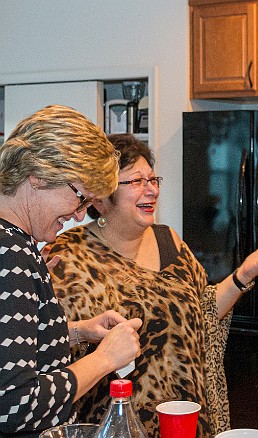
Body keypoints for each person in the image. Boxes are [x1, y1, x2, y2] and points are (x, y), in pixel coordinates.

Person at [47, 134, 258, 438]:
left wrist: (245, 274)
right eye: (136, 181)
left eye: (153, 179)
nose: (151, 189)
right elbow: (53, 345)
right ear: (101, 199)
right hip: (118, 426)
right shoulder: (69, 254)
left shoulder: (167, 240)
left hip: (186, 422)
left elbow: (205, 312)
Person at [0, 105, 142, 438]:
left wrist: (76, 331)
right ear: (39, 174)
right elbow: (13, 406)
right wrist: (105, 359)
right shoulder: (10, 252)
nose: (80, 216)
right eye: (80, 198)